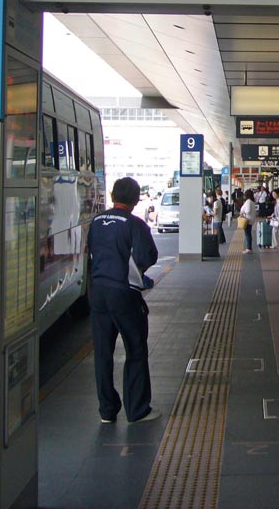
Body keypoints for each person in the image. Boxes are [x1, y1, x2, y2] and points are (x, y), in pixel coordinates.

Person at [87, 177, 161, 424]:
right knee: (135, 348)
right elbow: (147, 256)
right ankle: (137, 409)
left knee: (102, 352)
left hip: (98, 292)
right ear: (136, 199)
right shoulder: (135, 224)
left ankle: (107, 410)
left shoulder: (96, 222)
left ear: (112, 196)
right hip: (124, 293)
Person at [239, 189, 257, 253]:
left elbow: (248, 211)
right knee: (248, 233)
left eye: (245, 194)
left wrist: (242, 212)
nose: (244, 196)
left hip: (247, 220)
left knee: (247, 234)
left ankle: (249, 248)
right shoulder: (251, 201)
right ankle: (249, 248)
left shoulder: (248, 201)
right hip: (250, 220)